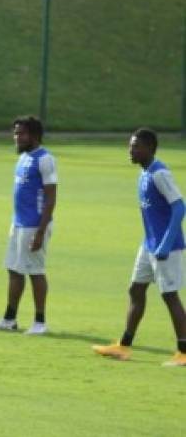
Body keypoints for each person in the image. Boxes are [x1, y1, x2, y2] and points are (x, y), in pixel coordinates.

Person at [92, 128, 186, 366]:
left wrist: (164, 244)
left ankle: (184, 352)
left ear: (149, 149)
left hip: (167, 246)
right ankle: (123, 346)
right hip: (149, 244)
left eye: (136, 146)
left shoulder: (159, 174)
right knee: (136, 289)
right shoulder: (143, 174)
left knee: (170, 296)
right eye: (130, 145)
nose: (131, 150)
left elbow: (179, 207)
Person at [0, 116, 57, 335]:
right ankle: (9, 319)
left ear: (34, 136)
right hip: (18, 223)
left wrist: (41, 231)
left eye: (21, 133)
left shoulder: (45, 159)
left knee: (35, 271)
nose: (16, 137)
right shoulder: (23, 158)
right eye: (15, 133)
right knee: (14, 270)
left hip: (35, 225)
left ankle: (40, 322)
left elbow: (51, 198)